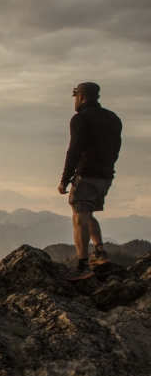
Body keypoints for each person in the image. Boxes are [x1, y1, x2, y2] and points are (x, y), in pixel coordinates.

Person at [59, 82, 122, 281]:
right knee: (88, 213)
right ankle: (100, 252)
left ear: (81, 96)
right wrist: (106, 169)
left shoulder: (80, 118)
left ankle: (82, 265)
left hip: (85, 175)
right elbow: (115, 149)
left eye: (75, 96)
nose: (75, 101)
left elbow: (75, 148)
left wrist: (65, 179)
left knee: (79, 218)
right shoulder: (113, 118)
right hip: (105, 177)